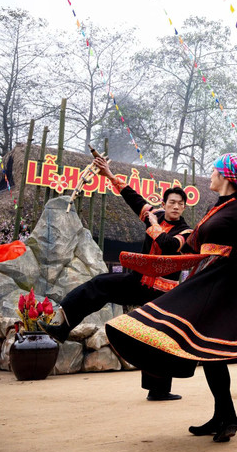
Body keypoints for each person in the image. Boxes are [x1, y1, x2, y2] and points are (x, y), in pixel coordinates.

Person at [105, 154, 237, 442]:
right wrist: (155, 226)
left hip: (222, 286)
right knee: (210, 353)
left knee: (210, 351)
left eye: (214, 170)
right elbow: (191, 243)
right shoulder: (215, 208)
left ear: (225, 177)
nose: (210, 174)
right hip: (205, 280)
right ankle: (225, 416)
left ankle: (227, 417)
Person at [45, 157, 193, 401]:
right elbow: (132, 197)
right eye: (172, 202)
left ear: (184, 208)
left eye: (180, 204)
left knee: (158, 336)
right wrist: (109, 173)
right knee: (101, 283)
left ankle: (158, 390)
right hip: (139, 282)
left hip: (163, 292)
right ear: (164, 203)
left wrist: (154, 224)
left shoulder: (186, 232)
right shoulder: (153, 214)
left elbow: (166, 246)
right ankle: (62, 323)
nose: (176, 207)